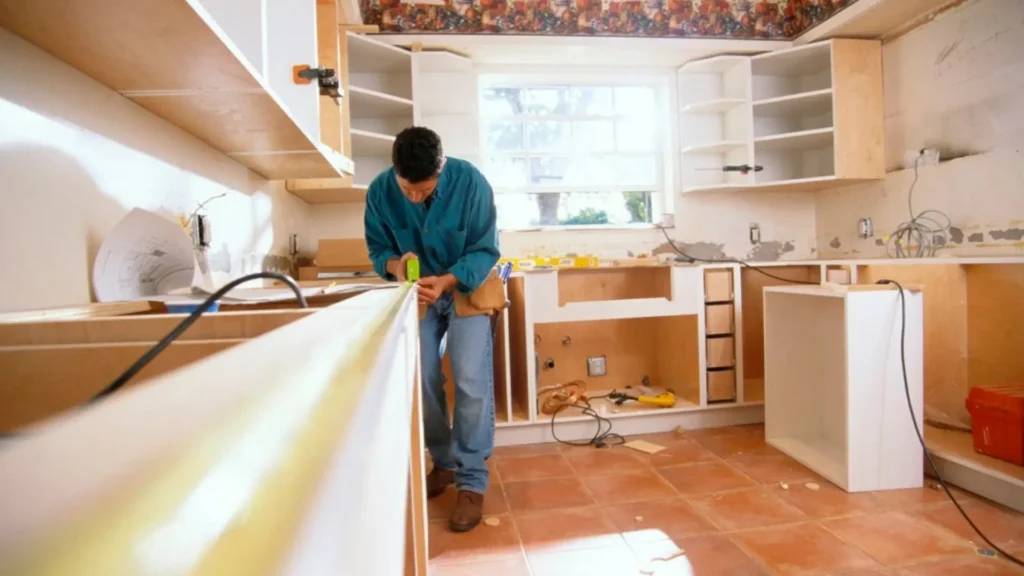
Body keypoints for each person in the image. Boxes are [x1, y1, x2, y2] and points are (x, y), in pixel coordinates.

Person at [364, 127, 500, 532]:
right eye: (409, 190)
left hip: (465, 285)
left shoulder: (470, 181)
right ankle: (442, 464)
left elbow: (485, 248)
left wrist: (448, 279)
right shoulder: (379, 191)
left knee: (471, 378)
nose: (416, 198)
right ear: (396, 172)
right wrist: (394, 264)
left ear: (441, 170)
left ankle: (472, 481)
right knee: (422, 378)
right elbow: (377, 250)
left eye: (425, 190)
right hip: (416, 292)